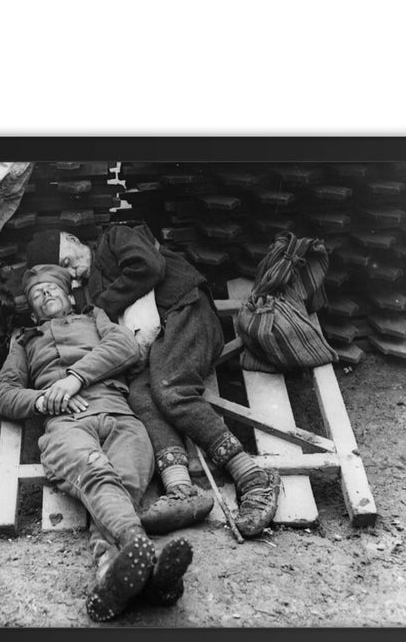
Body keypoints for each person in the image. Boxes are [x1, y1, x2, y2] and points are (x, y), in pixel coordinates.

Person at [25, 224, 280, 538]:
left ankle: (253, 477)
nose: (74, 276)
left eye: (67, 264)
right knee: (141, 397)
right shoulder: (90, 286)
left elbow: (149, 266)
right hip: (153, 345)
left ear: (73, 240)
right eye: (68, 278)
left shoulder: (114, 239)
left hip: (185, 312)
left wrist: (101, 306)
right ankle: (181, 489)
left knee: (171, 386)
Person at [0, 264, 194, 622]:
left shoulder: (94, 317)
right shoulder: (24, 341)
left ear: (70, 297)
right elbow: (2, 393)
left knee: (124, 482)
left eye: (53, 289)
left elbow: (125, 346)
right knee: (98, 474)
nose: (46, 295)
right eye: (38, 295)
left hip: (119, 415)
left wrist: (74, 378)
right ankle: (139, 550)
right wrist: (42, 399)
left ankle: (112, 573)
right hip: (66, 424)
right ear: (32, 310)